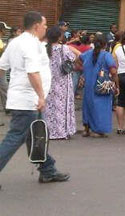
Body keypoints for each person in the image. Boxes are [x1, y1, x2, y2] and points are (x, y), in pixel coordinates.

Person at [0, 11, 70, 184]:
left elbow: (2, 67)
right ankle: (48, 170)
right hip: (29, 101)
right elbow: (32, 72)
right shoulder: (30, 45)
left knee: (36, 136)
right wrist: (40, 96)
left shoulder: (16, 42)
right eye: (45, 24)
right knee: (16, 137)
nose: (46, 27)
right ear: (37, 25)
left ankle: (47, 169)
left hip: (25, 100)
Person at [44, 26, 80, 139]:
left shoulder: (45, 48)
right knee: (62, 107)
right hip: (62, 82)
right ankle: (62, 132)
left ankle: (49, 131)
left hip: (48, 81)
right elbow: (75, 57)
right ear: (59, 36)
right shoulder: (63, 48)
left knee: (50, 107)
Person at [79, 33, 118, 137]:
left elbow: (78, 60)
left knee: (87, 105)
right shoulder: (106, 55)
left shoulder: (87, 54)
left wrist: (84, 72)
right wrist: (116, 85)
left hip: (88, 85)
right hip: (102, 86)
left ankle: (86, 128)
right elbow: (113, 71)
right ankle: (98, 130)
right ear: (105, 44)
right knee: (101, 107)